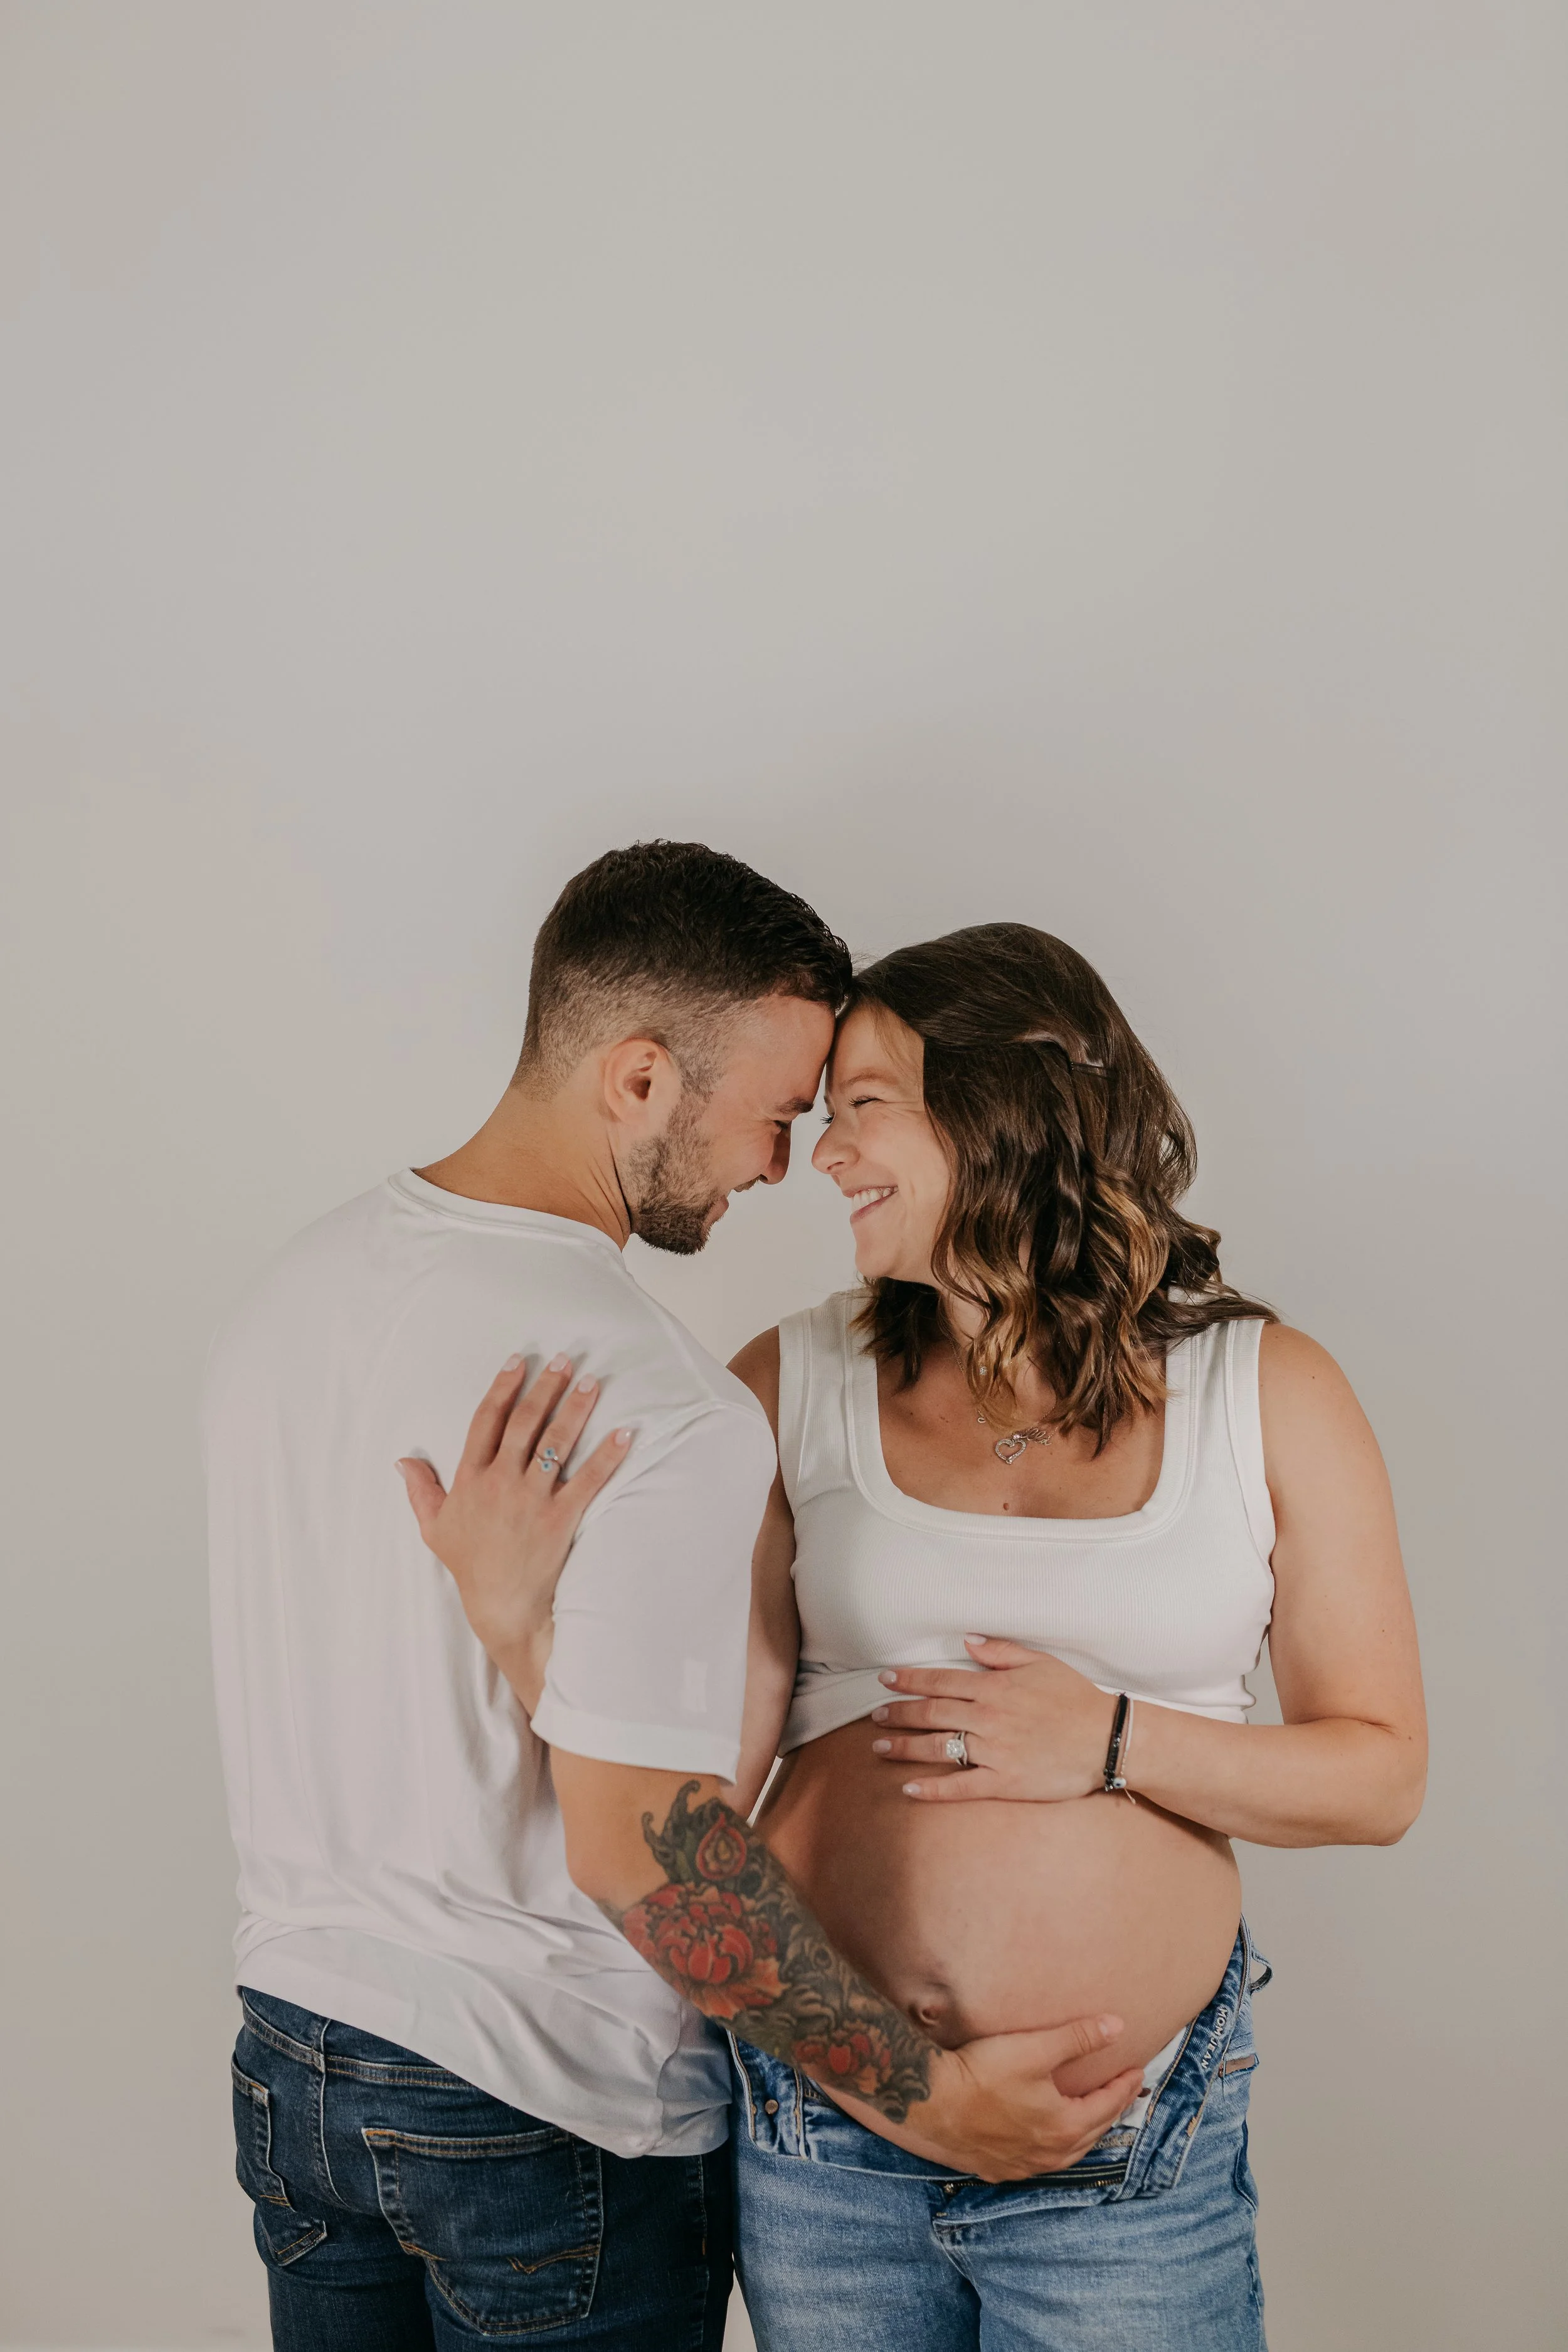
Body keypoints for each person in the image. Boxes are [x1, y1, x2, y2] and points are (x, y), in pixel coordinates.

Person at [415, 921, 1427, 2352]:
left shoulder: (1269, 1391)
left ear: (1006, 1108)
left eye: (865, 1107)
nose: (819, 1156)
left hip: (1120, 2155)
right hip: (833, 2141)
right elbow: (689, 1791)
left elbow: (1379, 1774)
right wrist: (520, 1626)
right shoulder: (791, 1379)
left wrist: (1114, 1739)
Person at [206, 849, 1143, 2352]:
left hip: (297, 2068)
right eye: (774, 1114)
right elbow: (645, 1850)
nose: (779, 1166)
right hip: (542, 2118)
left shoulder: (292, 1294)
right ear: (640, 1078)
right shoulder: (657, 1403)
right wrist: (935, 2102)